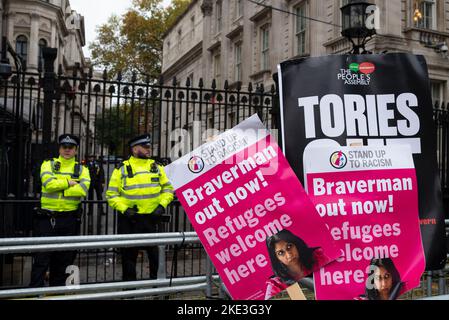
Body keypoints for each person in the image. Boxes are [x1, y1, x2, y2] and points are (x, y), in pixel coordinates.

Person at [106, 133, 174, 280]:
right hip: (131, 220)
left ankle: (157, 289)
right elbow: (111, 194)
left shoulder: (157, 167)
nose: (148, 149)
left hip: (153, 219)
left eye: (149, 146)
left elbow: (168, 189)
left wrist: (161, 206)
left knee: (156, 257)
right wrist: (125, 209)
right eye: (145, 147)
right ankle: (130, 291)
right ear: (134, 149)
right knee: (129, 259)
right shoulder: (121, 169)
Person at [29, 134, 90, 287]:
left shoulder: (82, 169)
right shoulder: (48, 164)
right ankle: (34, 292)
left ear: (76, 150)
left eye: (71, 147)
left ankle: (56, 293)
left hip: (69, 220)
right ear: (59, 148)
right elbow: (48, 184)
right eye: (64, 147)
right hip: (47, 220)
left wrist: (61, 188)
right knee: (41, 259)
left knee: (62, 260)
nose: (67, 150)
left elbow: (83, 190)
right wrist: (69, 183)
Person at [264, 229, 330, 300]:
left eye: (289, 246)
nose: (289, 255)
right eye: (281, 253)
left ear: (295, 244)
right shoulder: (276, 285)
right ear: (276, 257)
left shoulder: (317, 258)